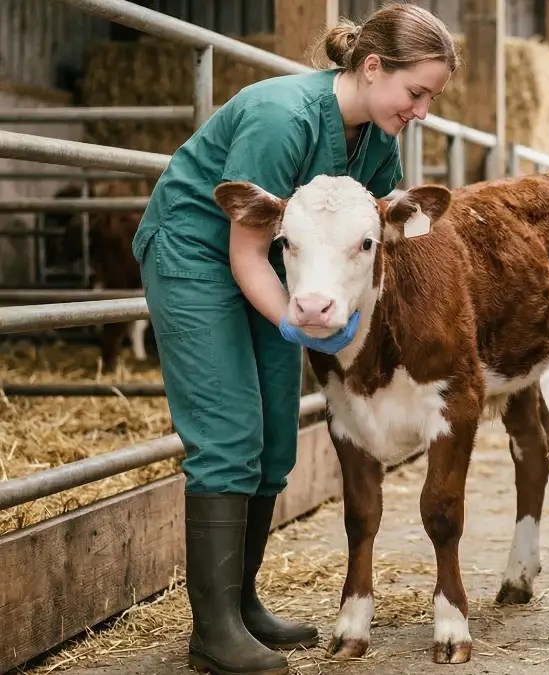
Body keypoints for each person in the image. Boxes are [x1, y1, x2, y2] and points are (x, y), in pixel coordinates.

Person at [131, 5, 458, 674]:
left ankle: (241, 602)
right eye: (415, 91)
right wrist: (292, 321)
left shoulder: (376, 145)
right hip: (200, 256)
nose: (421, 109)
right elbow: (246, 249)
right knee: (227, 432)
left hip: (288, 271)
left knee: (276, 435)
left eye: (431, 96)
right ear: (373, 67)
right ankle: (212, 629)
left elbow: (356, 247)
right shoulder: (283, 118)